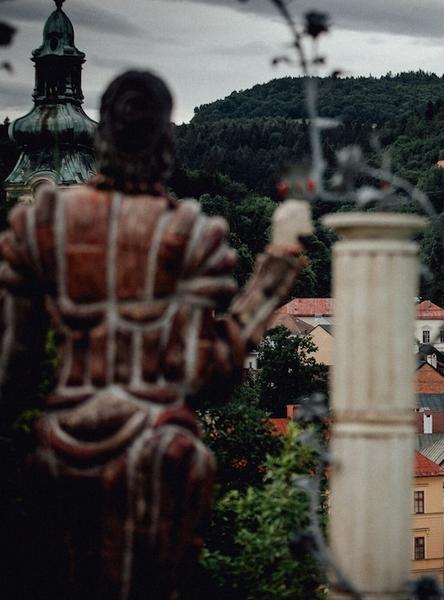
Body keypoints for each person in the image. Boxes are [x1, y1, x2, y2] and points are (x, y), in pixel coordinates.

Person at [0, 70, 310, 599]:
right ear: (166, 144)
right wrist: (272, 280)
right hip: (157, 453)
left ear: (101, 141)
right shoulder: (187, 234)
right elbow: (208, 377)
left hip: (58, 450)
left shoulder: (41, 226)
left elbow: (13, 372)